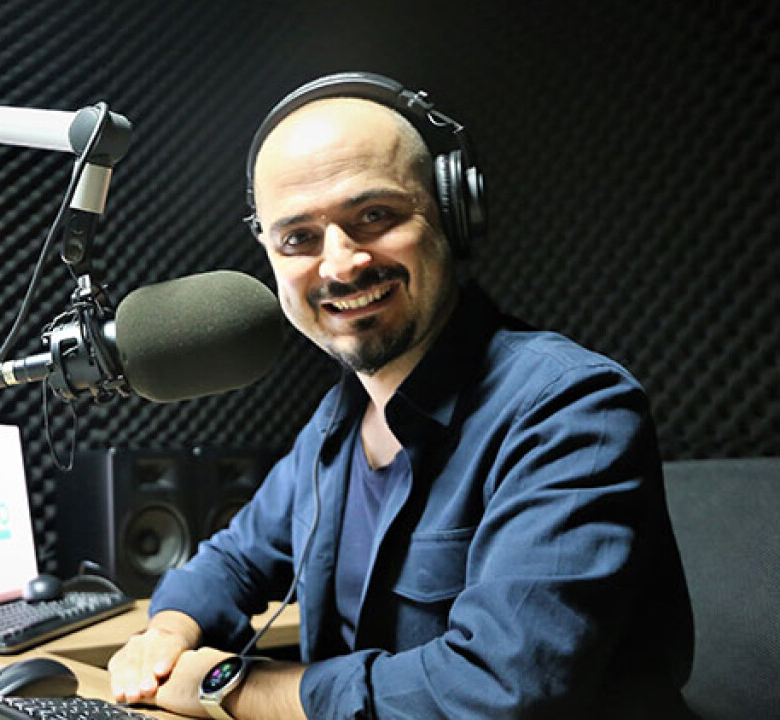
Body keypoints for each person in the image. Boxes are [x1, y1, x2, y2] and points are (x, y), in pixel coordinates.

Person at [107, 72, 693, 719]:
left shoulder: (570, 410)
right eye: (298, 238)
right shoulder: (337, 423)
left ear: (452, 211)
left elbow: (499, 693)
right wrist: (168, 634)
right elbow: (235, 559)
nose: (340, 265)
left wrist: (231, 688)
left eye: (374, 217)